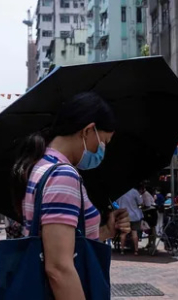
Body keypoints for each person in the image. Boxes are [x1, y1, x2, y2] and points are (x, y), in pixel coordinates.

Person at [12, 92, 130, 300]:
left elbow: (63, 242)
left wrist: (105, 231)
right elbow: (59, 268)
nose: (102, 151)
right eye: (103, 142)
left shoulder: (40, 165)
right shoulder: (62, 175)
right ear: (88, 130)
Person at [117, 188, 143, 255]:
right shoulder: (134, 191)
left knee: (123, 233)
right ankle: (136, 250)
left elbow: (116, 202)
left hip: (123, 215)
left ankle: (122, 250)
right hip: (134, 215)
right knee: (134, 233)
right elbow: (140, 202)